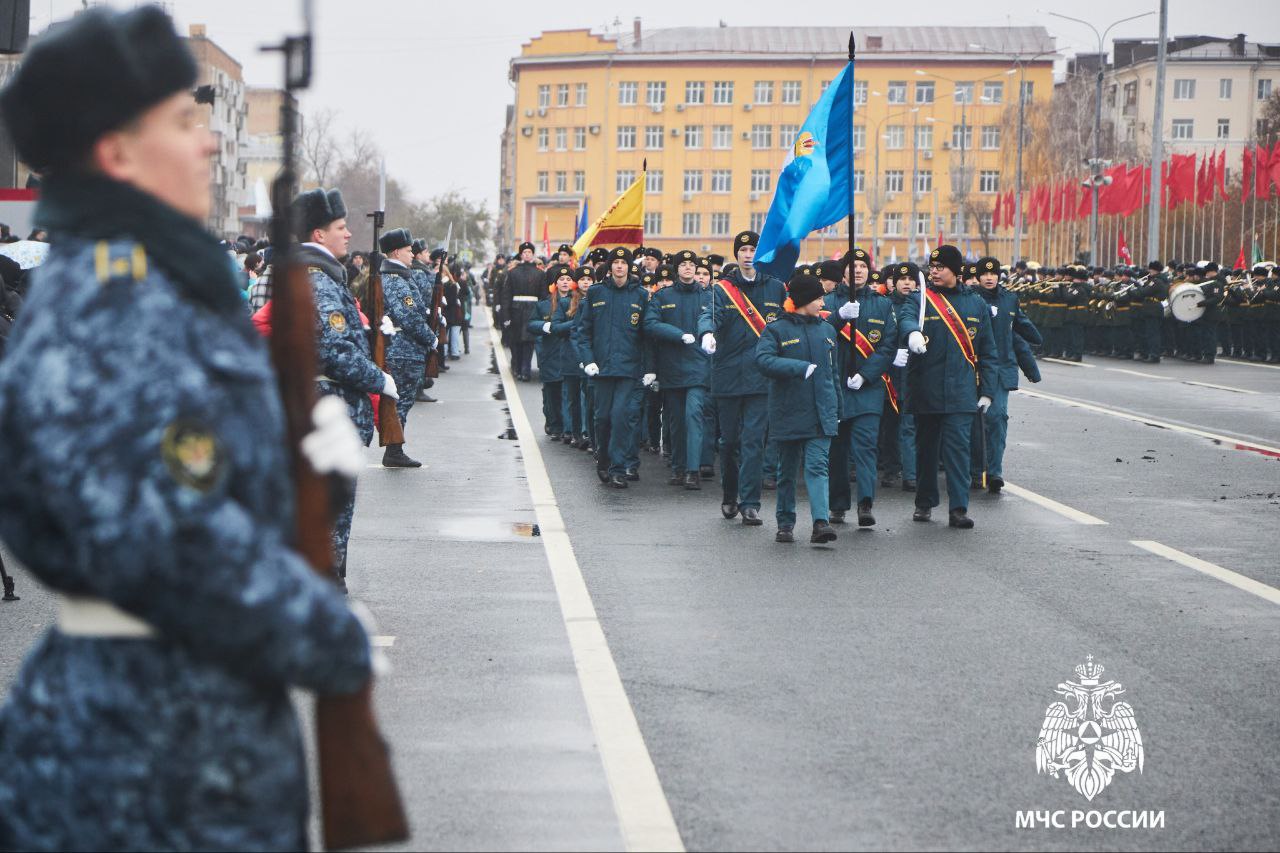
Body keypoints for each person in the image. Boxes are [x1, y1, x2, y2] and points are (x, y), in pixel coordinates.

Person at [0, 8, 374, 850]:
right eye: (181, 121)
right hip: (143, 757)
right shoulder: (117, 307)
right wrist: (330, 633)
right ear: (116, 152)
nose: (208, 143)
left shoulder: (158, 288)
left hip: (181, 730)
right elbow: (177, 548)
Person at [896, 245, 997, 529]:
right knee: (926, 451)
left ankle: (958, 508)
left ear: (956, 270)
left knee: (958, 451)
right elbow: (905, 318)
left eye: (941, 267)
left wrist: (988, 391)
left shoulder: (976, 303)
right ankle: (925, 502)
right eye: (932, 267)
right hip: (925, 387)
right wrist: (912, 333)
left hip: (961, 390)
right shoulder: (920, 298)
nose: (935, 272)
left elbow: (988, 351)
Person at [697, 230, 787, 525]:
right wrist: (707, 333)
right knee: (729, 442)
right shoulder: (721, 290)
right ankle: (729, 494)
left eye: (753, 250)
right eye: (744, 250)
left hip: (761, 377)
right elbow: (709, 315)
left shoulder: (775, 288)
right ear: (736, 254)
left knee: (753, 442)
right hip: (728, 375)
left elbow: (788, 323)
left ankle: (750, 503)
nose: (748, 255)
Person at [755, 267, 840, 545]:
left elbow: (833, 374)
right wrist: (798, 367)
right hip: (788, 410)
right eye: (819, 298)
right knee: (787, 471)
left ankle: (821, 523)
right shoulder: (776, 329)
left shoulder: (827, 330)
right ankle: (785, 523)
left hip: (821, 412)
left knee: (817, 467)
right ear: (804, 300)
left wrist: (837, 409)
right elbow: (763, 361)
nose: (823, 302)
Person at [826, 254, 898, 527]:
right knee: (837, 451)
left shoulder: (883, 304)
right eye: (852, 266)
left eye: (863, 266)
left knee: (866, 447)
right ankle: (838, 504)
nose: (858, 270)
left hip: (868, 388)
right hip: (835, 387)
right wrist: (839, 317)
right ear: (843, 271)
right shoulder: (829, 302)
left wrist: (866, 374)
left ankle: (865, 502)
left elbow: (888, 345)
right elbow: (818, 336)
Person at [573, 247, 646, 488]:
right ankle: (603, 458)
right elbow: (583, 332)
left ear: (629, 267)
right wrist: (588, 360)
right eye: (615, 262)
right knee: (602, 417)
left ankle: (618, 468)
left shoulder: (640, 295)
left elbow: (646, 334)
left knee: (620, 416)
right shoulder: (596, 292)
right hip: (601, 367)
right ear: (610, 266)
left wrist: (648, 367)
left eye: (624, 263)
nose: (620, 266)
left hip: (628, 368)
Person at [969, 256, 1041, 493]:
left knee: (997, 418)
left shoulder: (1009, 298)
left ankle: (994, 472)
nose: (989, 277)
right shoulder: (969, 299)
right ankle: (975, 470)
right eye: (985, 273)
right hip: (972, 368)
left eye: (993, 273)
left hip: (1000, 369)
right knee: (973, 422)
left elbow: (1017, 329)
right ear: (978, 276)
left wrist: (1035, 339)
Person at [643, 249, 712, 489]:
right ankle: (678, 467)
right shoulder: (663, 296)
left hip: (699, 366)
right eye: (683, 265)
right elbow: (650, 324)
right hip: (672, 365)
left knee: (693, 416)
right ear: (676, 269)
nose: (688, 268)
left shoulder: (708, 296)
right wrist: (678, 334)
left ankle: (692, 470)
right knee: (676, 420)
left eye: (691, 265)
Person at [378, 227, 436, 467]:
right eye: (408, 250)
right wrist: (430, 338)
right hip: (403, 349)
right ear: (395, 252)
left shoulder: (400, 277)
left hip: (405, 349)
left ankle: (395, 448)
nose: (412, 254)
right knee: (400, 401)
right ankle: (394, 450)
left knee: (403, 400)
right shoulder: (396, 280)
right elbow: (409, 317)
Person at [529, 264, 576, 440]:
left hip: (569, 353)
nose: (565, 282)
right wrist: (546, 326)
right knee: (551, 392)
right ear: (555, 284)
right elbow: (531, 324)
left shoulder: (576, 303)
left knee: (568, 393)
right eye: (561, 279)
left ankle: (568, 427)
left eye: (568, 279)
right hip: (550, 353)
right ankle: (554, 424)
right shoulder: (544, 305)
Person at [500, 242, 542, 380]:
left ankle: (525, 371)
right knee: (516, 341)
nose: (527, 254)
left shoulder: (540, 273)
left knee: (529, 342)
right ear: (521, 255)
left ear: (533, 254)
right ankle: (517, 368)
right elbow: (506, 296)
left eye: (529, 252)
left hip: (532, 311)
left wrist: (542, 314)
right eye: (524, 252)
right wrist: (506, 315)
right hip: (516, 311)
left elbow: (543, 296)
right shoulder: (513, 273)